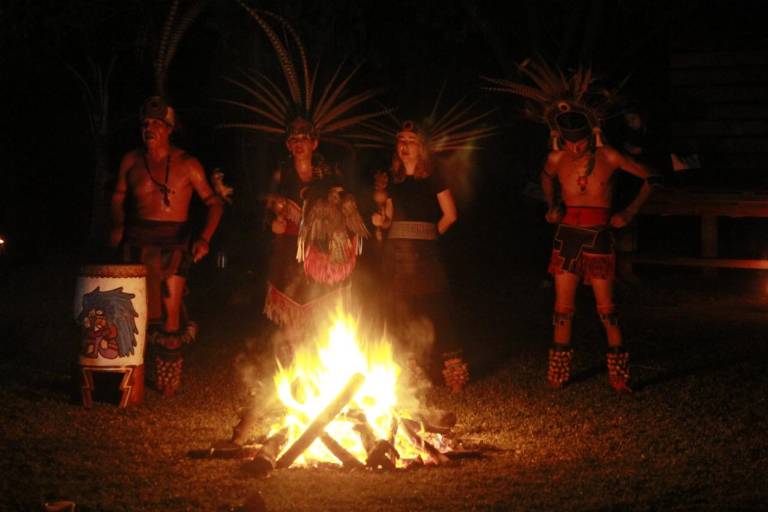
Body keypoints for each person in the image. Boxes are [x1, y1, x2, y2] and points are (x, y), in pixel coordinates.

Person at [109, 96, 223, 396]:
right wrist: (118, 224)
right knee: (132, 310)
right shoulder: (131, 160)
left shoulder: (188, 164)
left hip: (174, 243)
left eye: (157, 124)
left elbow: (213, 203)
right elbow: (119, 195)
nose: (150, 128)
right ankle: (129, 373)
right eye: (146, 123)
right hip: (136, 242)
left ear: (169, 129)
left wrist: (204, 238)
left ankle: (167, 378)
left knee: (171, 307)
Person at [541, 111, 657, 392]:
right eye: (569, 144)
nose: (575, 149)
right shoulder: (557, 158)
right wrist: (553, 204)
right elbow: (546, 178)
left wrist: (629, 211)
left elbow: (652, 177)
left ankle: (619, 375)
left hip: (598, 237)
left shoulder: (609, 157)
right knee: (562, 308)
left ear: (590, 137)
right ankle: (558, 373)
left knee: (607, 309)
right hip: (567, 236)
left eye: (580, 143)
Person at [372, 121, 469, 393]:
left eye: (411, 140)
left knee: (439, 308)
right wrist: (381, 221)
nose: (404, 145)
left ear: (421, 147)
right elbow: (389, 217)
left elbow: (450, 215)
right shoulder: (393, 181)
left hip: (425, 256)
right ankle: (411, 372)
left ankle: (454, 373)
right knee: (403, 311)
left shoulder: (433, 177)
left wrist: (428, 235)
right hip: (396, 256)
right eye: (400, 139)